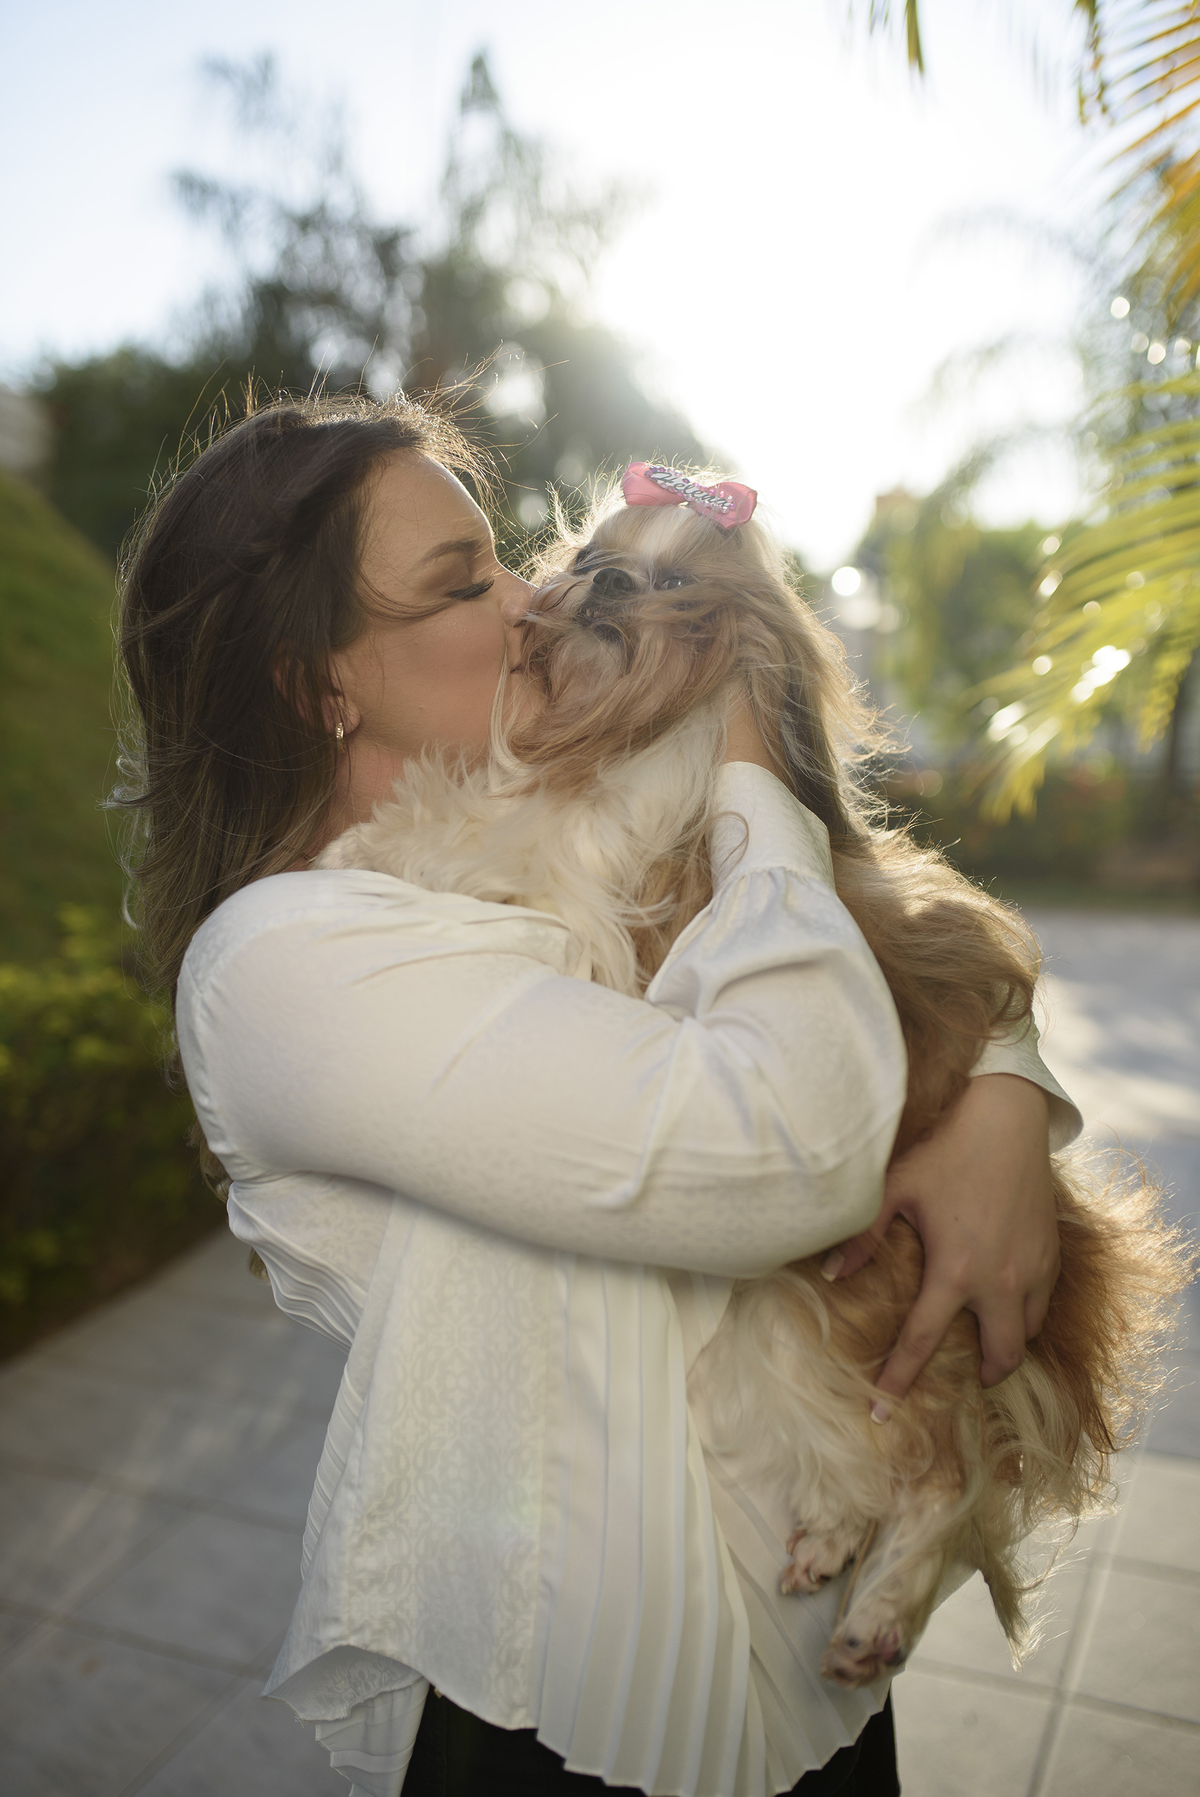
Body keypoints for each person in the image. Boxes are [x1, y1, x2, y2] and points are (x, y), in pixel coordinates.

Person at [117, 395, 1079, 1797]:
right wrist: (749, 731)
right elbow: (787, 1142)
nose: (533, 598)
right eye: (462, 583)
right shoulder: (286, 962)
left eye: (506, 556)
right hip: (556, 1695)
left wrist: (1002, 1076)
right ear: (317, 684)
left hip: (801, 1673)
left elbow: (877, 922)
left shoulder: (558, 799)